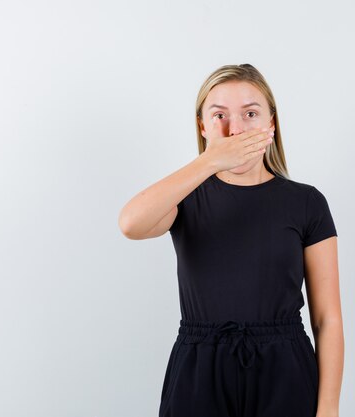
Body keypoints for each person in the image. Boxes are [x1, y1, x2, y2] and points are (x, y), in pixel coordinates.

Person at [118, 64, 343, 417]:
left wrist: (328, 407)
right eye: (219, 115)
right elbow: (131, 223)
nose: (235, 128)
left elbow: (327, 318)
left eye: (250, 113)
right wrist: (209, 161)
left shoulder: (306, 203)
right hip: (199, 369)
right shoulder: (184, 199)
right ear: (202, 126)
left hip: (285, 369)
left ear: (271, 123)